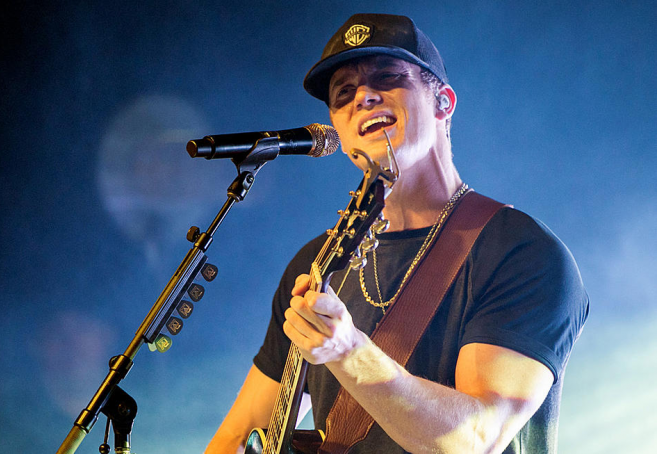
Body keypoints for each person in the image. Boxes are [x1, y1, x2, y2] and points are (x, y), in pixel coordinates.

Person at [205, 13, 588, 454]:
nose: (363, 98)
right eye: (343, 94)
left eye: (387, 78)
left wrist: (350, 352)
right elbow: (237, 436)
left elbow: (476, 439)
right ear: (339, 132)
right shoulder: (319, 263)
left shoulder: (521, 253)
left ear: (443, 103)